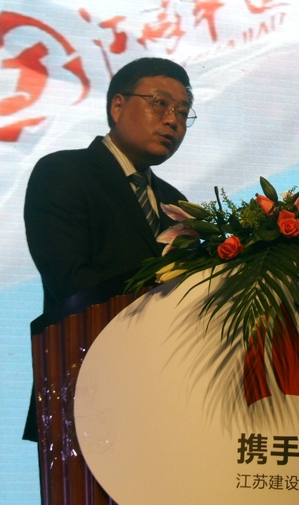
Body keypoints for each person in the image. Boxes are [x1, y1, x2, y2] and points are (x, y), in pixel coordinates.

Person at [22, 57, 195, 441]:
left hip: (164, 401)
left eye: (183, 113)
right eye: (160, 104)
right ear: (118, 105)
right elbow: (70, 279)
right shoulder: (64, 172)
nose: (173, 121)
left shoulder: (177, 204)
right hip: (82, 390)